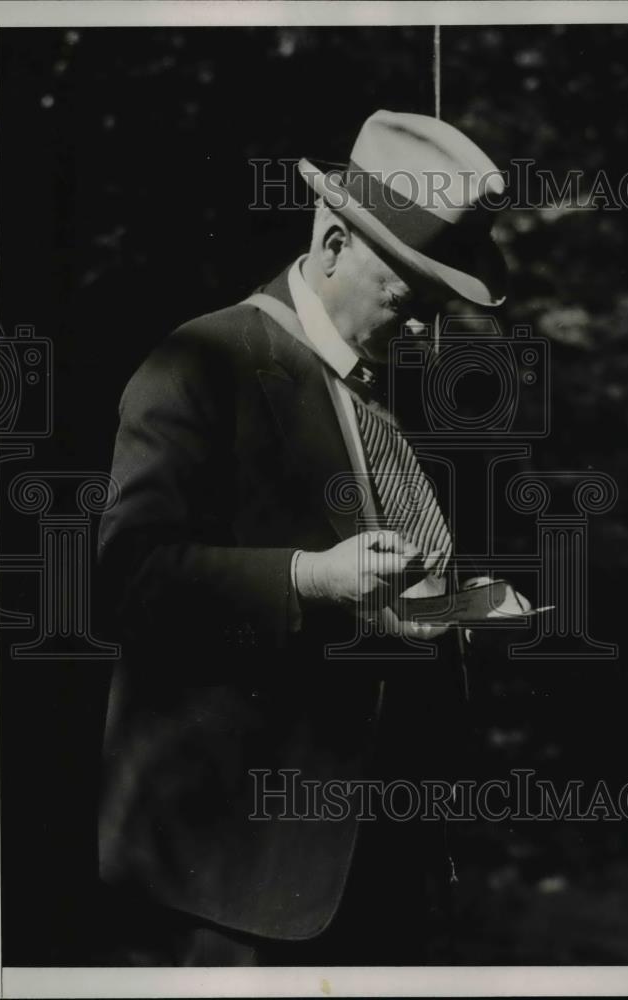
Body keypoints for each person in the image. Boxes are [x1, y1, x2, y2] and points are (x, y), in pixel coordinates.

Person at [97, 109, 528, 966]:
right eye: (408, 303)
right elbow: (122, 579)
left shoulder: (392, 385)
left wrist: (459, 611)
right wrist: (307, 579)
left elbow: (391, 582)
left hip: (379, 862)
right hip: (230, 873)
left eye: (437, 312)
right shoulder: (201, 364)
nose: (424, 334)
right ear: (332, 244)